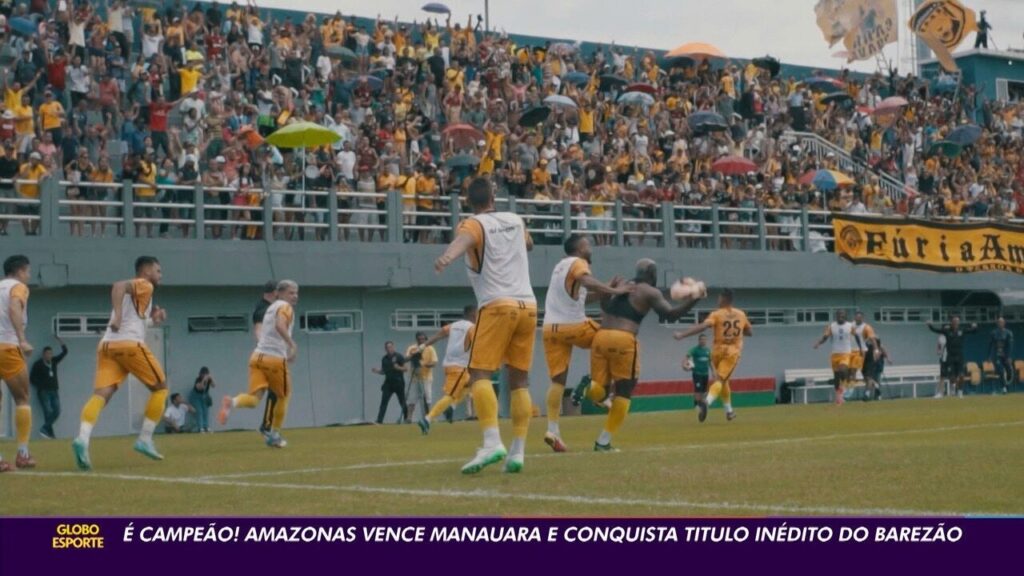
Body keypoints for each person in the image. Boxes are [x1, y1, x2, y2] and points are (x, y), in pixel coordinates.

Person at [435, 176, 537, 474]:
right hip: (528, 307)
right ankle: (518, 451)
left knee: (479, 371)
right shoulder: (515, 220)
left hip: (496, 305)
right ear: (495, 196)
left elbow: (464, 241)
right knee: (519, 379)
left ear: (469, 201)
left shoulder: (472, 224)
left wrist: (446, 257)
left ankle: (492, 442)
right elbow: (528, 245)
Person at [578, 259, 704, 451]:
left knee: (601, 391)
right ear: (652, 274)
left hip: (601, 337)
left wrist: (607, 290)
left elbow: (605, 307)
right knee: (624, 392)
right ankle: (603, 442)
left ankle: (587, 386)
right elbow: (669, 315)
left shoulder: (622, 284)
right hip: (623, 338)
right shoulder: (650, 291)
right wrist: (695, 298)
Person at [72, 256, 169, 470]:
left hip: (108, 346)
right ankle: (144, 438)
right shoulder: (144, 285)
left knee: (101, 395)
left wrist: (154, 320)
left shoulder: (139, 292)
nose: (160, 275)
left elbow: (134, 320)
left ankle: (82, 439)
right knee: (161, 389)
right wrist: (116, 316)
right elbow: (117, 286)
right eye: (158, 270)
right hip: (129, 346)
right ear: (146, 271)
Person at [542, 234, 631, 452]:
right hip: (573, 325)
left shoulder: (559, 267)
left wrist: (603, 289)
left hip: (550, 328)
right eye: (587, 245)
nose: (590, 248)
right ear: (579, 249)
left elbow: (581, 295)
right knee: (613, 341)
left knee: (557, 381)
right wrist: (614, 290)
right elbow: (585, 279)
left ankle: (553, 430)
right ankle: (595, 391)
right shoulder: (578, 263)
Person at [218, 281, 300, 448]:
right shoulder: (285, 307)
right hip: (274, 359)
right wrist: (291, 343)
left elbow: (263, 328)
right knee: (284, 396)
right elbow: (280, 325)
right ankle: (274, 434)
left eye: (296, 293)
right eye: (291, 293)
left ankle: (231, 402)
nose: (295, 296)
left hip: (257, 357)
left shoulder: (270, 307)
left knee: (255, 399)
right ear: (280, 293)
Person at [674, 288, 752, 422]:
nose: (717, 300)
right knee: (720, 381)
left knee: (723, 381)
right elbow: (750, 332)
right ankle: (707, 402)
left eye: (719, 298)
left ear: (723, 298)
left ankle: (729, 411)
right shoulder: (741, 314)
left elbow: (703, 326)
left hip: (716, 351)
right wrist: (737, 332)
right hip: (732, 352)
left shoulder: (716, 314)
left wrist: (682, 335)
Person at [416, 305, 477, 434]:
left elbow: (437, 336)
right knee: (450, 396)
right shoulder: (472, 328)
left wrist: (422, 346)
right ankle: (427, 419)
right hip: (459, 366)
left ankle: (452, 407)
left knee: (471, 384)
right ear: (473, 314)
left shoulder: (453, 326)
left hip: (451, 365)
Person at [0, 255, 35, 471]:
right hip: (7, 346)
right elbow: (14, 307)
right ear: (21, 271)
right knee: (22, 398)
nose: (28, 276)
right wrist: (22, 339)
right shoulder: (18, 287)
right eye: (28, 272)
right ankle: (23, 454)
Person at [813, 310, 857, 405]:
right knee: (836, 377)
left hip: (846, 353)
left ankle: (846, 382)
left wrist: (863, 346)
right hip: (835, 354)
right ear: (836, 316)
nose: (841, 316)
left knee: (842, 369)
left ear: (845, 316)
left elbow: (857, 336)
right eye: (839, 315)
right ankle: (838, 397)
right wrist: (818, 343)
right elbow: (825, 336)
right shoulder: (832, 326)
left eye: (843, 315)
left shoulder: (850, 326)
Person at [927, 316, 978, 398]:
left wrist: (975, 327)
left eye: (957, 321)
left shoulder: (962, 330)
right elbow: (936, 330)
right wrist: (930, 325)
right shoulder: (947, 331)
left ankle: (960, 391)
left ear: (958, 322)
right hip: (950, 357)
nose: (955, 323)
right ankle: (953, 386)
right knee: (952, 377)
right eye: (954, 321)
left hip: (959, 356)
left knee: (961, 375)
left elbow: (973, 331)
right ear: (951, 322)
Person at [251, 280, 277, 437]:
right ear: (272, 292)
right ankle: (267, 427)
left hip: (264, 355)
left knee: (258, 395)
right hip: (266, 356)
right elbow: (258, 329)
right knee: (276, 390)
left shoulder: (266, 307)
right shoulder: (264, 309)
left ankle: (232, 402)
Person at [30, 338, 68, 439]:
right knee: (48, 412)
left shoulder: (54, 361)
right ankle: (51, 435)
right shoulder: (38, 364)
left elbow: (65, 352)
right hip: (44, 392)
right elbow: (32, 378)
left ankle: (44, 428)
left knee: (57, 410)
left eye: (50, 353)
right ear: (43, 354)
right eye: (47, 353)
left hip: (54, 390)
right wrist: (41, 386)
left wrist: (60, 340)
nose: (49, 355)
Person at [372, 341, 408, 424]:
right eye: (387, 347)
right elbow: (384, 371)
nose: (389, 349)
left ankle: (406, 418)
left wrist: (398, 367)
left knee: (402, 401)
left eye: (390, 347)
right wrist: (377, 371)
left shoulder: (399, 357)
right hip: (388, 383)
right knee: (384, 402)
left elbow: (405, 369)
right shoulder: (384, 359)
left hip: (399, 383)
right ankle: (379, 420)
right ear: (385, 349)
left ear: (393, 347)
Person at [404, 332, 437, 423]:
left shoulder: (430, 348)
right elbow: (405, 359)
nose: (421, 341)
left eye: (423, 339)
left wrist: (424, 364)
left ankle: (428, 417)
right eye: (419, 339)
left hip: (426, 377)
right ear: (416, 339)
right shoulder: (412, 348)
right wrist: (413, 355)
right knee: (412, 398)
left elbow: (434, 363)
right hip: (413, 377)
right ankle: (409, 418)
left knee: (427, 397)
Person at [684, 334, 712, 409]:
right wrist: (685, 364)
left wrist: (713, 372)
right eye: (701, 339)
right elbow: (687, 356)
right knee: (698, 390)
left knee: (704, 391)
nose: (703, 341)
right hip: (697, 373)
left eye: (704, 339)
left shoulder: (708, 350)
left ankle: (702, 404)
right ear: (699, 340)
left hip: (705, 374)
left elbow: (710, 362)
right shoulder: (695, 349)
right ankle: (696, 405)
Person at [989, 317, 1015, 394]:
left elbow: (1010, 346)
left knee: (1009, 372)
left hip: (1006, 356)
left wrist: (1009, 357)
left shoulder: (1008, 333)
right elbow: (990, 345)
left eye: (1001, 322)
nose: (1000, 324)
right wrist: (989, 356)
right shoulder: (993, 333)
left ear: (1004, 323)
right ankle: (1004, 388)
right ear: (997, 324)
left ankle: (1006, 386)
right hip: (997, 355)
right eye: (999, 322)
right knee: (1000, 371)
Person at [850, 311, 876, 387]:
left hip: (863, 352)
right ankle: (873, 384)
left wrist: (876, 350)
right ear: (854, 317)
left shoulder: (866, 327)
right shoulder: (850, 326)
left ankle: (868, 387)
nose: (858, 319)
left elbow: (872, 339)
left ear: (862, 318)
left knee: (858, 372)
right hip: (851, 351)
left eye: (860, 317)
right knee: (852, 372)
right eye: (857, 317)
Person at [189, 367, 215, 433]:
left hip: (205, 396)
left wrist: (211, 379)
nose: (205, 375)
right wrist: (203, 380)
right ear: (200, 374)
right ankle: (200, 428)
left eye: (206, 374)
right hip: (196, 396)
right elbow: (200, 387)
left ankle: (206, 427)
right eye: (203, 374)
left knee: (206, 411)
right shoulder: (198, 379)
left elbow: (214, 385)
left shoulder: (209, 380)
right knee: (199, 411)